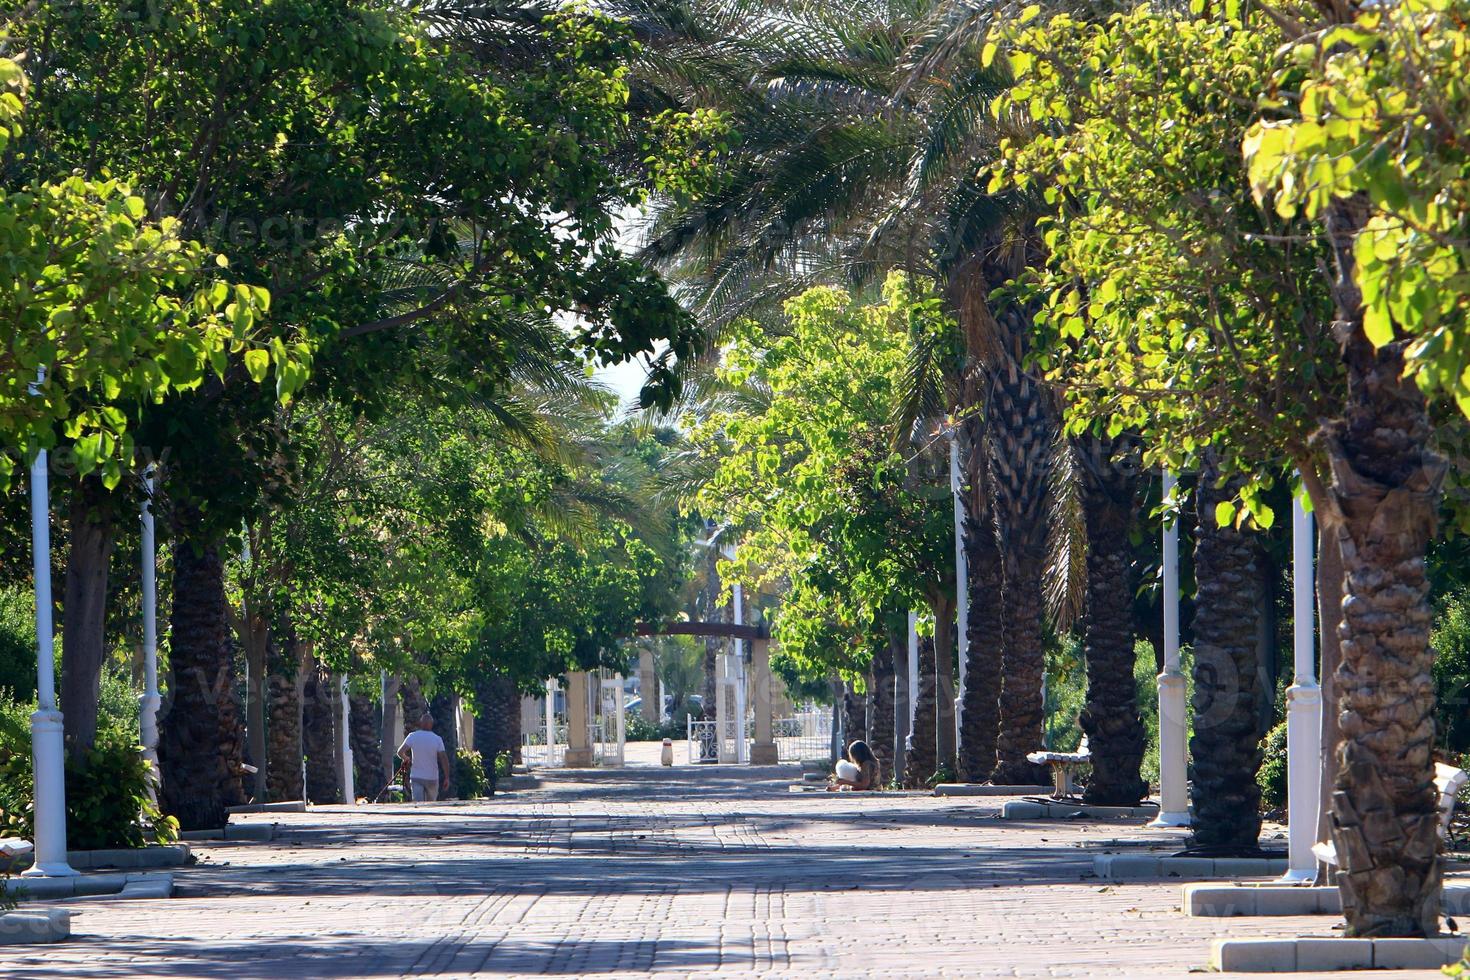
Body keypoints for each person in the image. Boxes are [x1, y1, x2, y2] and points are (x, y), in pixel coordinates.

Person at [397, 714, 450, 802]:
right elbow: (444, 759)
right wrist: (447, 777)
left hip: (416, 777)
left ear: (420, 723)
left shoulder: (412, 736)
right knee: (431, 805)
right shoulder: (437, 739)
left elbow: (400, 752)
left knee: (418, 804)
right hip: (432, 778)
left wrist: (406, 758)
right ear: (432, 724)